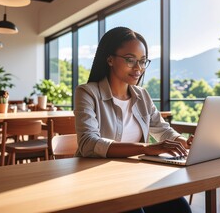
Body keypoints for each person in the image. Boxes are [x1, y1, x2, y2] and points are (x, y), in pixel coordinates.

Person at [74, 26, 192, 213]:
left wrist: (184, 142)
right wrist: (147, 148)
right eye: (130, 60)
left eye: (143, 61)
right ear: (110, 59)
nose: (139, 68)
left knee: (180, 208)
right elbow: (88, 143)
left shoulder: (142, 95)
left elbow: (162, 129)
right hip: (98, 180)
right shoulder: (87, 92)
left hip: (135, 178)